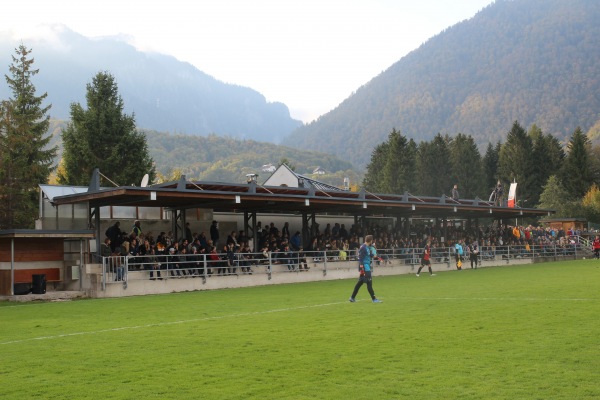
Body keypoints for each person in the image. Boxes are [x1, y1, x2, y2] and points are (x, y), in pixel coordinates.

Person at [349, 235, 382, 303]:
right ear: (370, 241)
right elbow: (360, 257)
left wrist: (377, 256)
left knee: (360, 282)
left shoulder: (367, 247)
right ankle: (374, 299)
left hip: (366, 266)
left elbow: (370, 255)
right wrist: (361, 267)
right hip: (365, 267)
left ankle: (352, 297)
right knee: (369, 282)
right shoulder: (363, 247)